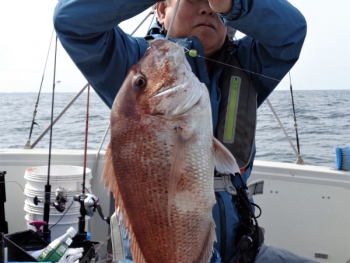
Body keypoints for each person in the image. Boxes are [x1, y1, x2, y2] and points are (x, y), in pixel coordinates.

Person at [54, 0, 318, 262]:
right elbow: (71, 21)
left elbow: (290, 32)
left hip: (240, 251)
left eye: (215, 3)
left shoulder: (246, 63)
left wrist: (233, 3)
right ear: (161, 10)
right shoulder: (138, 64)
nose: (207, 9)